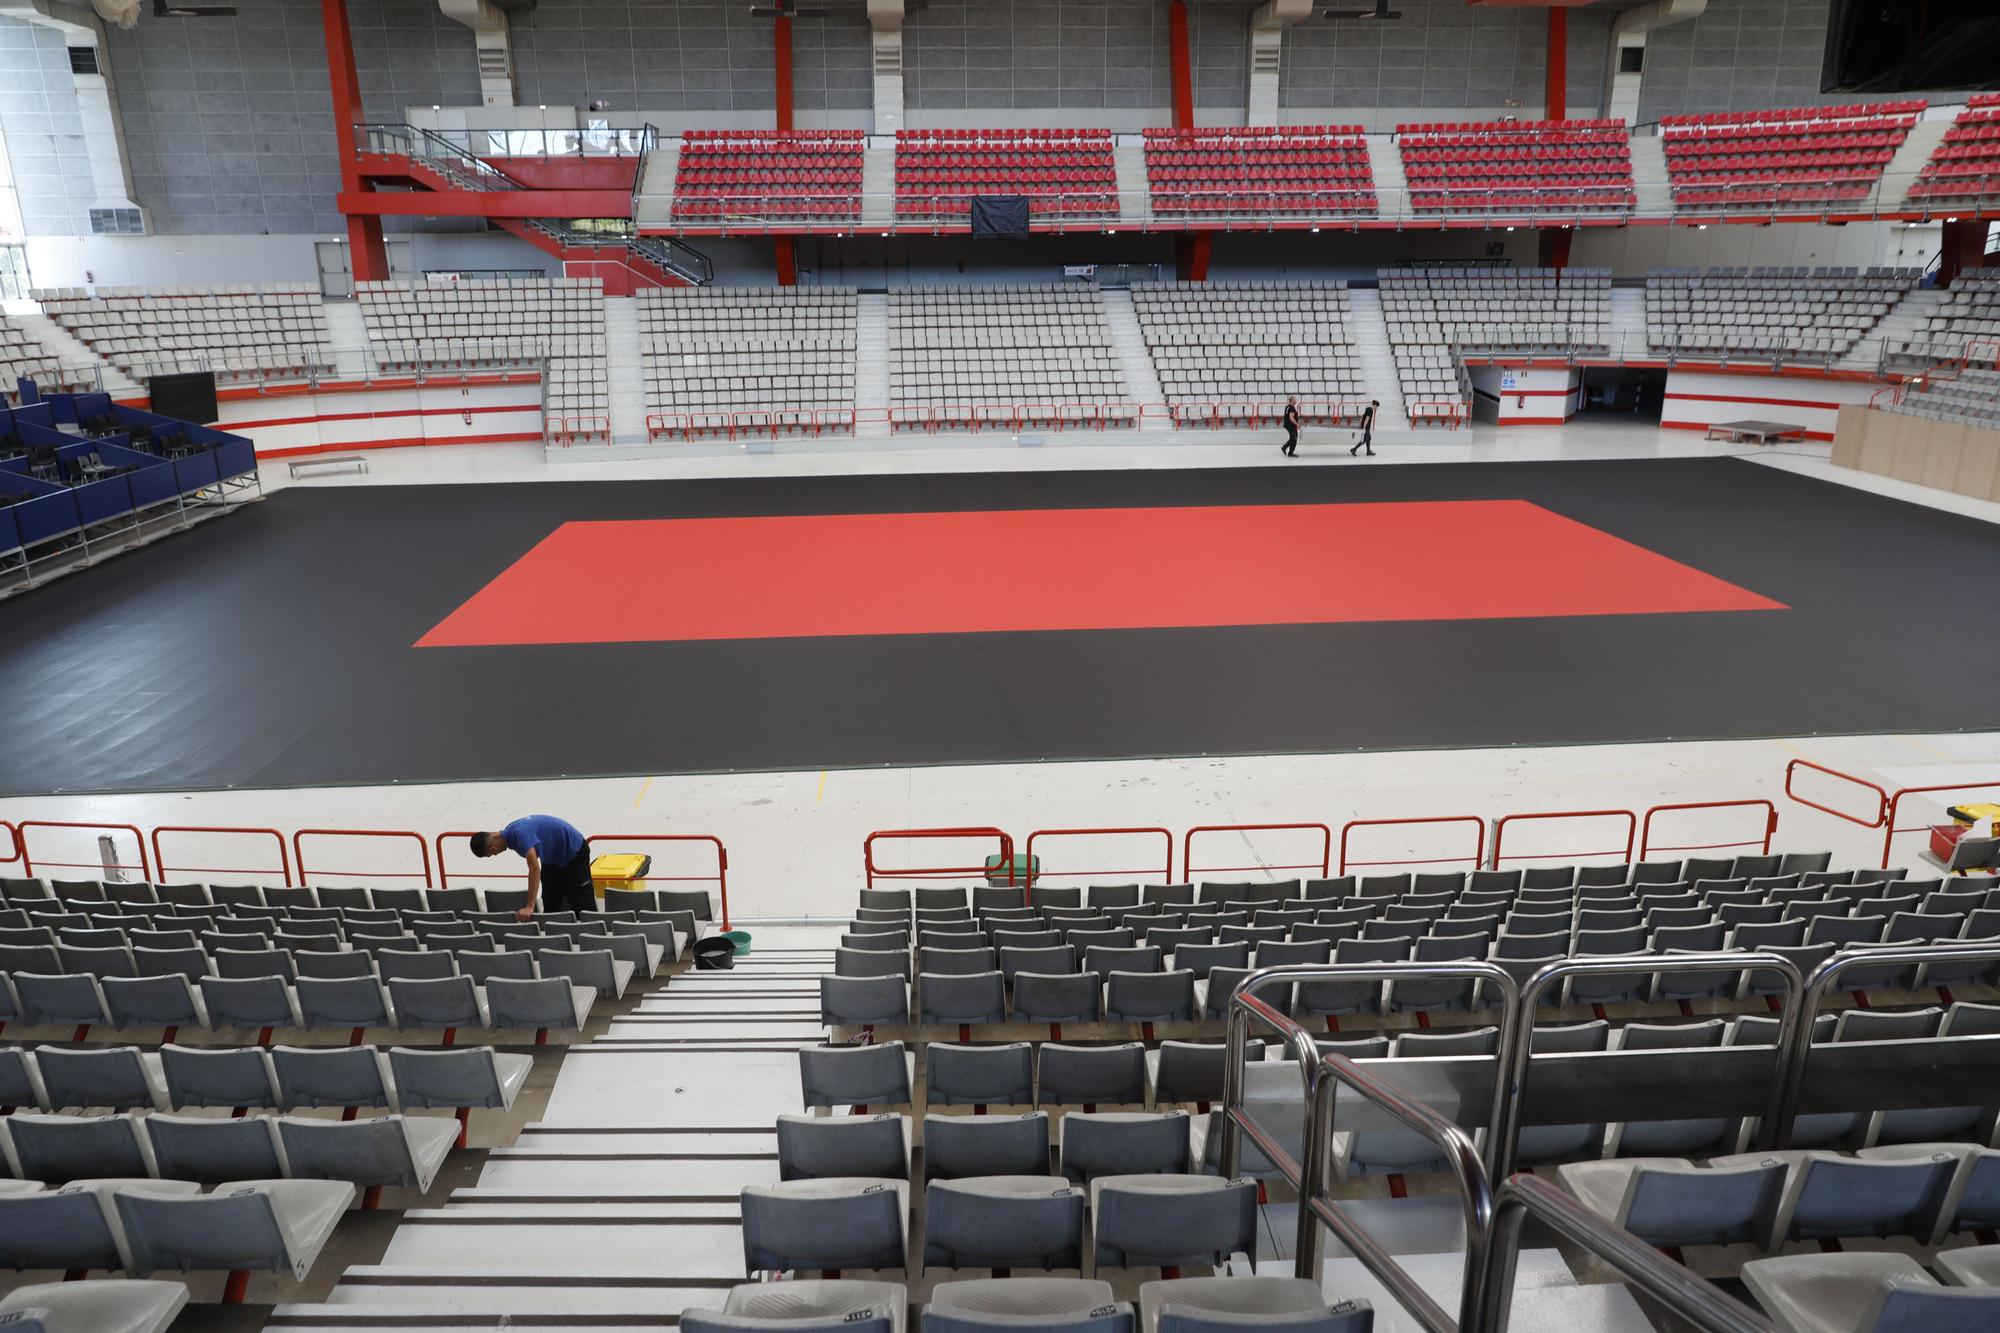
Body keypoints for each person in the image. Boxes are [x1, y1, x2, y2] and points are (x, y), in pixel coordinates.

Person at [470, 815, 594, 921]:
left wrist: (530, 906)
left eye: (492, 854)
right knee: (550, 901)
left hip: (574, 852)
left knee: (582, 902)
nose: (495, 855)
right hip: (552, 860)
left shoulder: (519, 835)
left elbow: (534, 868)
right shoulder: (509, 833)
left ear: (493, 849)